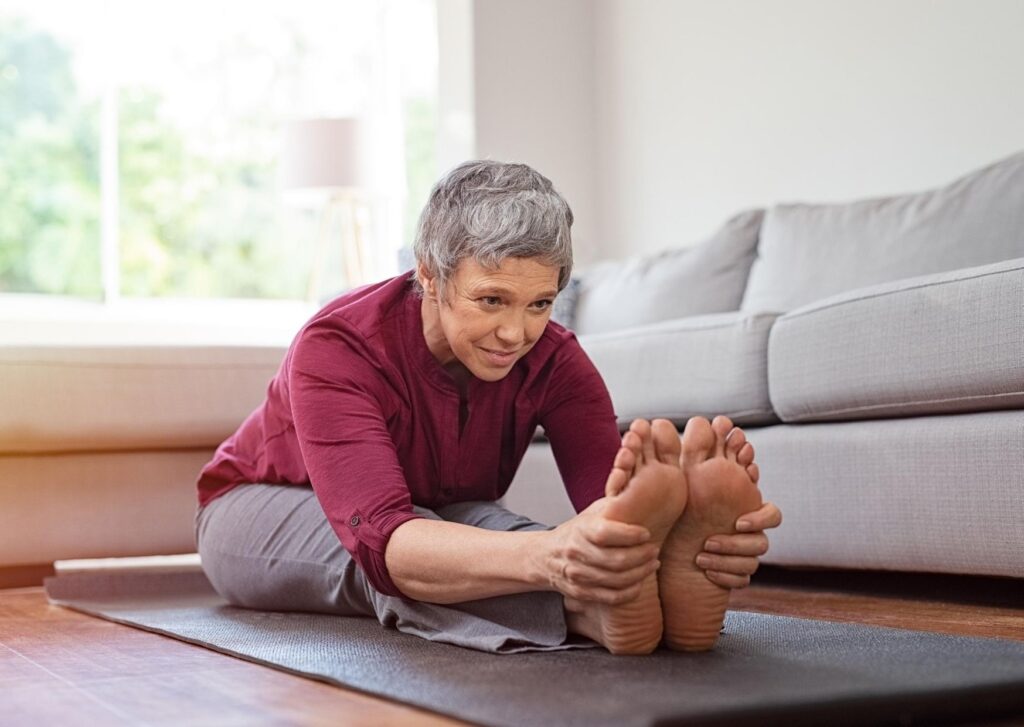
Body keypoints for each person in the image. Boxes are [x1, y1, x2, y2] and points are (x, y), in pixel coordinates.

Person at [194, 160, 782, 655]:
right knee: (407, 560)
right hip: (263, 506)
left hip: (435, 511)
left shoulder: (556, 359)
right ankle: (584, 611)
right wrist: (554, 556)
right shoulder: (338, 347)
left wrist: (685, 545)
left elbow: (610, 509)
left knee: (501, 534)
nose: (515, 333)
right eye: (492, 300)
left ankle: (624, 596)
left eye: (539, 303)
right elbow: (384, 538)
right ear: (430, 275)